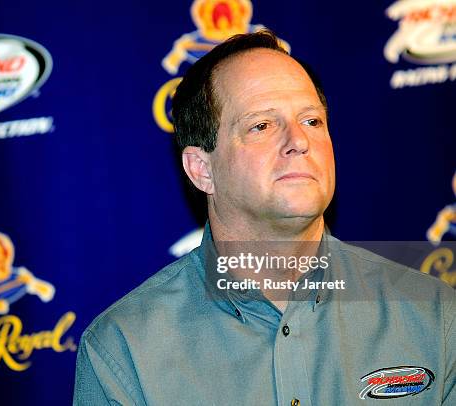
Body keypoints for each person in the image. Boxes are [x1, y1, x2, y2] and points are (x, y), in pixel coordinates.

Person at [73, 30, 455, 405]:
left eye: (312, 121)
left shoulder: (434, 317)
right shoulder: (125, 352)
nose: (299, 141)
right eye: (262, 125)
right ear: (202, 169)